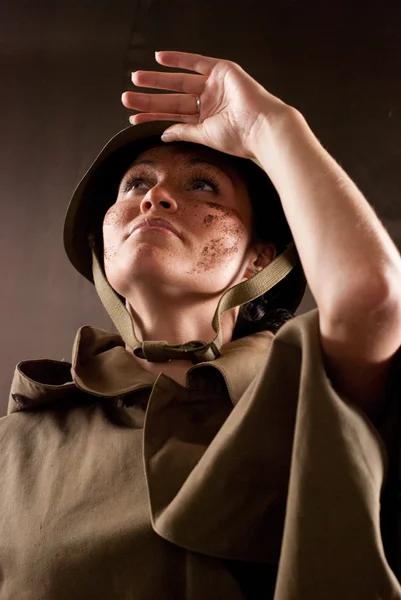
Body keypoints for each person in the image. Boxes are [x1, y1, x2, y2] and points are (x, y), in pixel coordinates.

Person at [1, 50, 401, 599]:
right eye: (135, 184)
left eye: (204, 186)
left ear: (260, 260)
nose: (153, 198)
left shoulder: (312, 389)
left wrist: (268, 126)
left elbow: (373, 299)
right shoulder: (23, 441)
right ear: (104, 248)